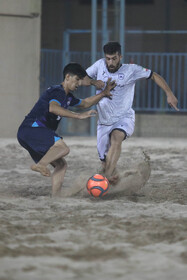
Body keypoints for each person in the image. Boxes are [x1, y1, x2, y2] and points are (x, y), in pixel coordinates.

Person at [81, 41, 179, 184]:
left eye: (114, 58)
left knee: (116, 138)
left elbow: (154, 76)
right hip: (104, 121)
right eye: (108, 59)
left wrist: (169, 93)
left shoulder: (131, 70)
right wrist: (94, 82)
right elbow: (82, 78)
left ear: (120, 57)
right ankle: (117, 178)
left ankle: (107, 177)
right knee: (105, 162)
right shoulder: (99, 65)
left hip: (124, 117)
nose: (110, 62)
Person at [17, 62, 116, 196]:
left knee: (61, 165)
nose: (78, 83)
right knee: (63, 148)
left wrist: (104, 93)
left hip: (29, 134)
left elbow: (85, 103)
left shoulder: (68, 97)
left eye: (80, 81)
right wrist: (78, 116)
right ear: (67, 77)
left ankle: (56, 197)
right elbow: (53, 108)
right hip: (31, 129)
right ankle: (41, 165)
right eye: (76, 80)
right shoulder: (57, 91)